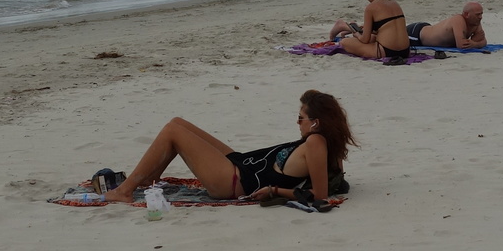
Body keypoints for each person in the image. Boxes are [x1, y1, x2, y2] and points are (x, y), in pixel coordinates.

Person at [100, 90, 356, 207]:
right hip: (242, 164)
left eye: (301, 118)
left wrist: (275, 191)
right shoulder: (323, 142)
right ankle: (149, 178)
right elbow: (336, 177)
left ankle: (124, 191)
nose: (298, 123)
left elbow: (320, 194)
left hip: (235, 181)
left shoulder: (316, 142)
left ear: (316, 122)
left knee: (172, 131)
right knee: (178, 123)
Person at [328, 0, 412, 60]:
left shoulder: (371, 8)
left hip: (387, 51)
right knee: (372, 37)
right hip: (405, 51)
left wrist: (357, 35)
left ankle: (342, 26)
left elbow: (365, 40)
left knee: (344, 42)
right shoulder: (394, 3)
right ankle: (343, 26)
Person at [408, 2, 487, 50]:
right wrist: (476, 44)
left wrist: (474, 44)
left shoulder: (475, 22)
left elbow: (483, 41)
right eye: (477, 14)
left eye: (481, 14)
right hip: (416, 35)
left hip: (427, 30)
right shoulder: (458, 19)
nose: (480, 17)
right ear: (466, 14)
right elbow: (462, 45)